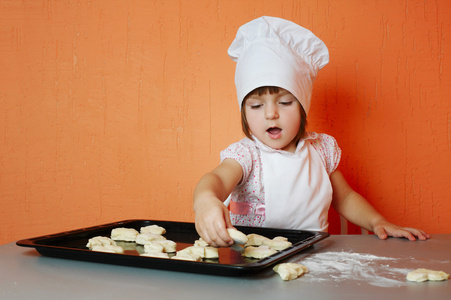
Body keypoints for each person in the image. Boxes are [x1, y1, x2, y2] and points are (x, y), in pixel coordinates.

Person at [193, 16, 430, 247]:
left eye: (285, 103)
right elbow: (215, 180)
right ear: (243, 111)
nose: (270, 114)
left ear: (303, 107)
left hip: (314, 259)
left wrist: (378, 221)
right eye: (256, 106)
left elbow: (345, 198)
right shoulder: (246, 156)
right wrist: (205, 200)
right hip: (252, 260)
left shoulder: (321, 150)